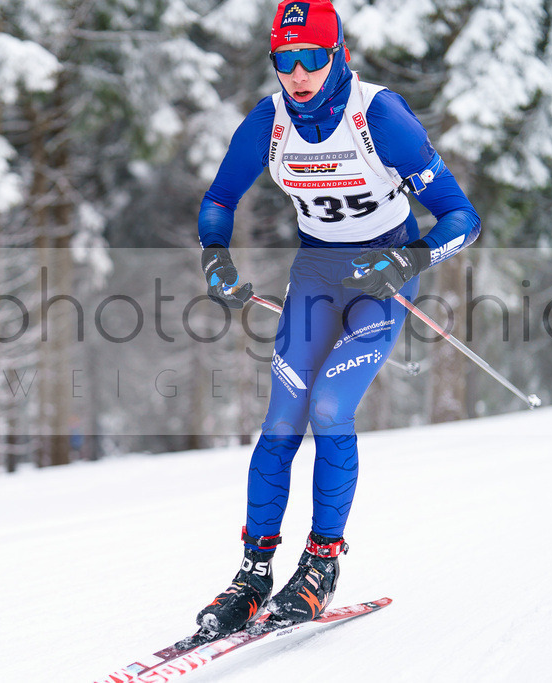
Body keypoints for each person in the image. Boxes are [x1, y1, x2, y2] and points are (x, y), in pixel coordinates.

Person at [195, 0, 480, 634]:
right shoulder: (269, 123)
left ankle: (321, 565)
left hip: (379, 282)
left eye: (311, 58)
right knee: (282, 419)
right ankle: (253, 575)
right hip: (316, 278)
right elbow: (219, 199)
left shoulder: (379, 116)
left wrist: (407, 261)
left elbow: (463, 218)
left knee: (329, 406)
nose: (297, 74)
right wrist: (215, 255)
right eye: (285, 59)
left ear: (338, 54)